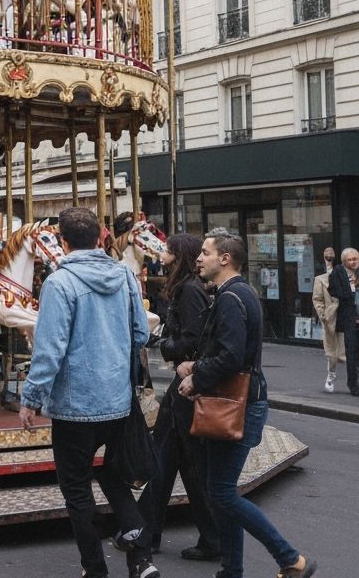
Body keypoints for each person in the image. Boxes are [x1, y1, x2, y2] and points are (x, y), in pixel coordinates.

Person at [17, 207, 159, 578]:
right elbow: (141, 335)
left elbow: (50, 349)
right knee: (114, 474)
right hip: (117, 399)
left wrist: (31, 398)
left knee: (77, 490)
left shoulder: (60, 283)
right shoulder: (125, 275)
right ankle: (139, 553)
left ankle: (94, 568)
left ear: (63, 241)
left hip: (74, 405)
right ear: (100, 237)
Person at [177, 232, 316, 578]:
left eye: (206, 253)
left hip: (234, 403)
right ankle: (232, 570)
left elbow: (231, 357)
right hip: (236, 400)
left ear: (224, 259)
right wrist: (196, 366)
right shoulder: (240, 293)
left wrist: (196, 376)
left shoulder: (230, 297)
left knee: (222, 494)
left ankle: (290, 558)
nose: (199, 258)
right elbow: (232, 352)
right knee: (219, 491)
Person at [137, 234, 219, 561]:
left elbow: (193, 338)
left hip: (187, 382)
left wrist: (164, 345)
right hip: (184, 383)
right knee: (171, 456)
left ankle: (147, 533)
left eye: (167, 250)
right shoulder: (187, 288)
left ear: (177, 255)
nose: (162, 254)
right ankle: (147, 532)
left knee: (183, 459)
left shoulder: (188, 291)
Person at [311, 247, 345, 393]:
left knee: (350, 350)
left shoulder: (351, 276)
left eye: (331, 255)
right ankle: (331, 375)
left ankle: (353, 380)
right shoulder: (321, 279)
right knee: (332, 352)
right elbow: (317, 299)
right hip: (332, 319)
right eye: (326, 256)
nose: (329, 257)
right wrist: (323, 315)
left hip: (348, 316)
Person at [327, 246, 359, 396]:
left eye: (356, 259)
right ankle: (354, 385)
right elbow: (335, 291)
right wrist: (352, 288)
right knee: (352, 351)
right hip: (349, 317)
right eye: (350, 259)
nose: (354, 262)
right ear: (344, 261)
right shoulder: (338, 272)